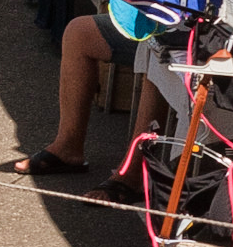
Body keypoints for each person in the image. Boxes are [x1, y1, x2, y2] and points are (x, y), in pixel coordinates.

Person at [9, 12, 166, 197]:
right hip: (158, 19)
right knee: (78, 33)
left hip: (187, 34)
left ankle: (134, 172)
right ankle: (68, 147)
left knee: (158, 57)